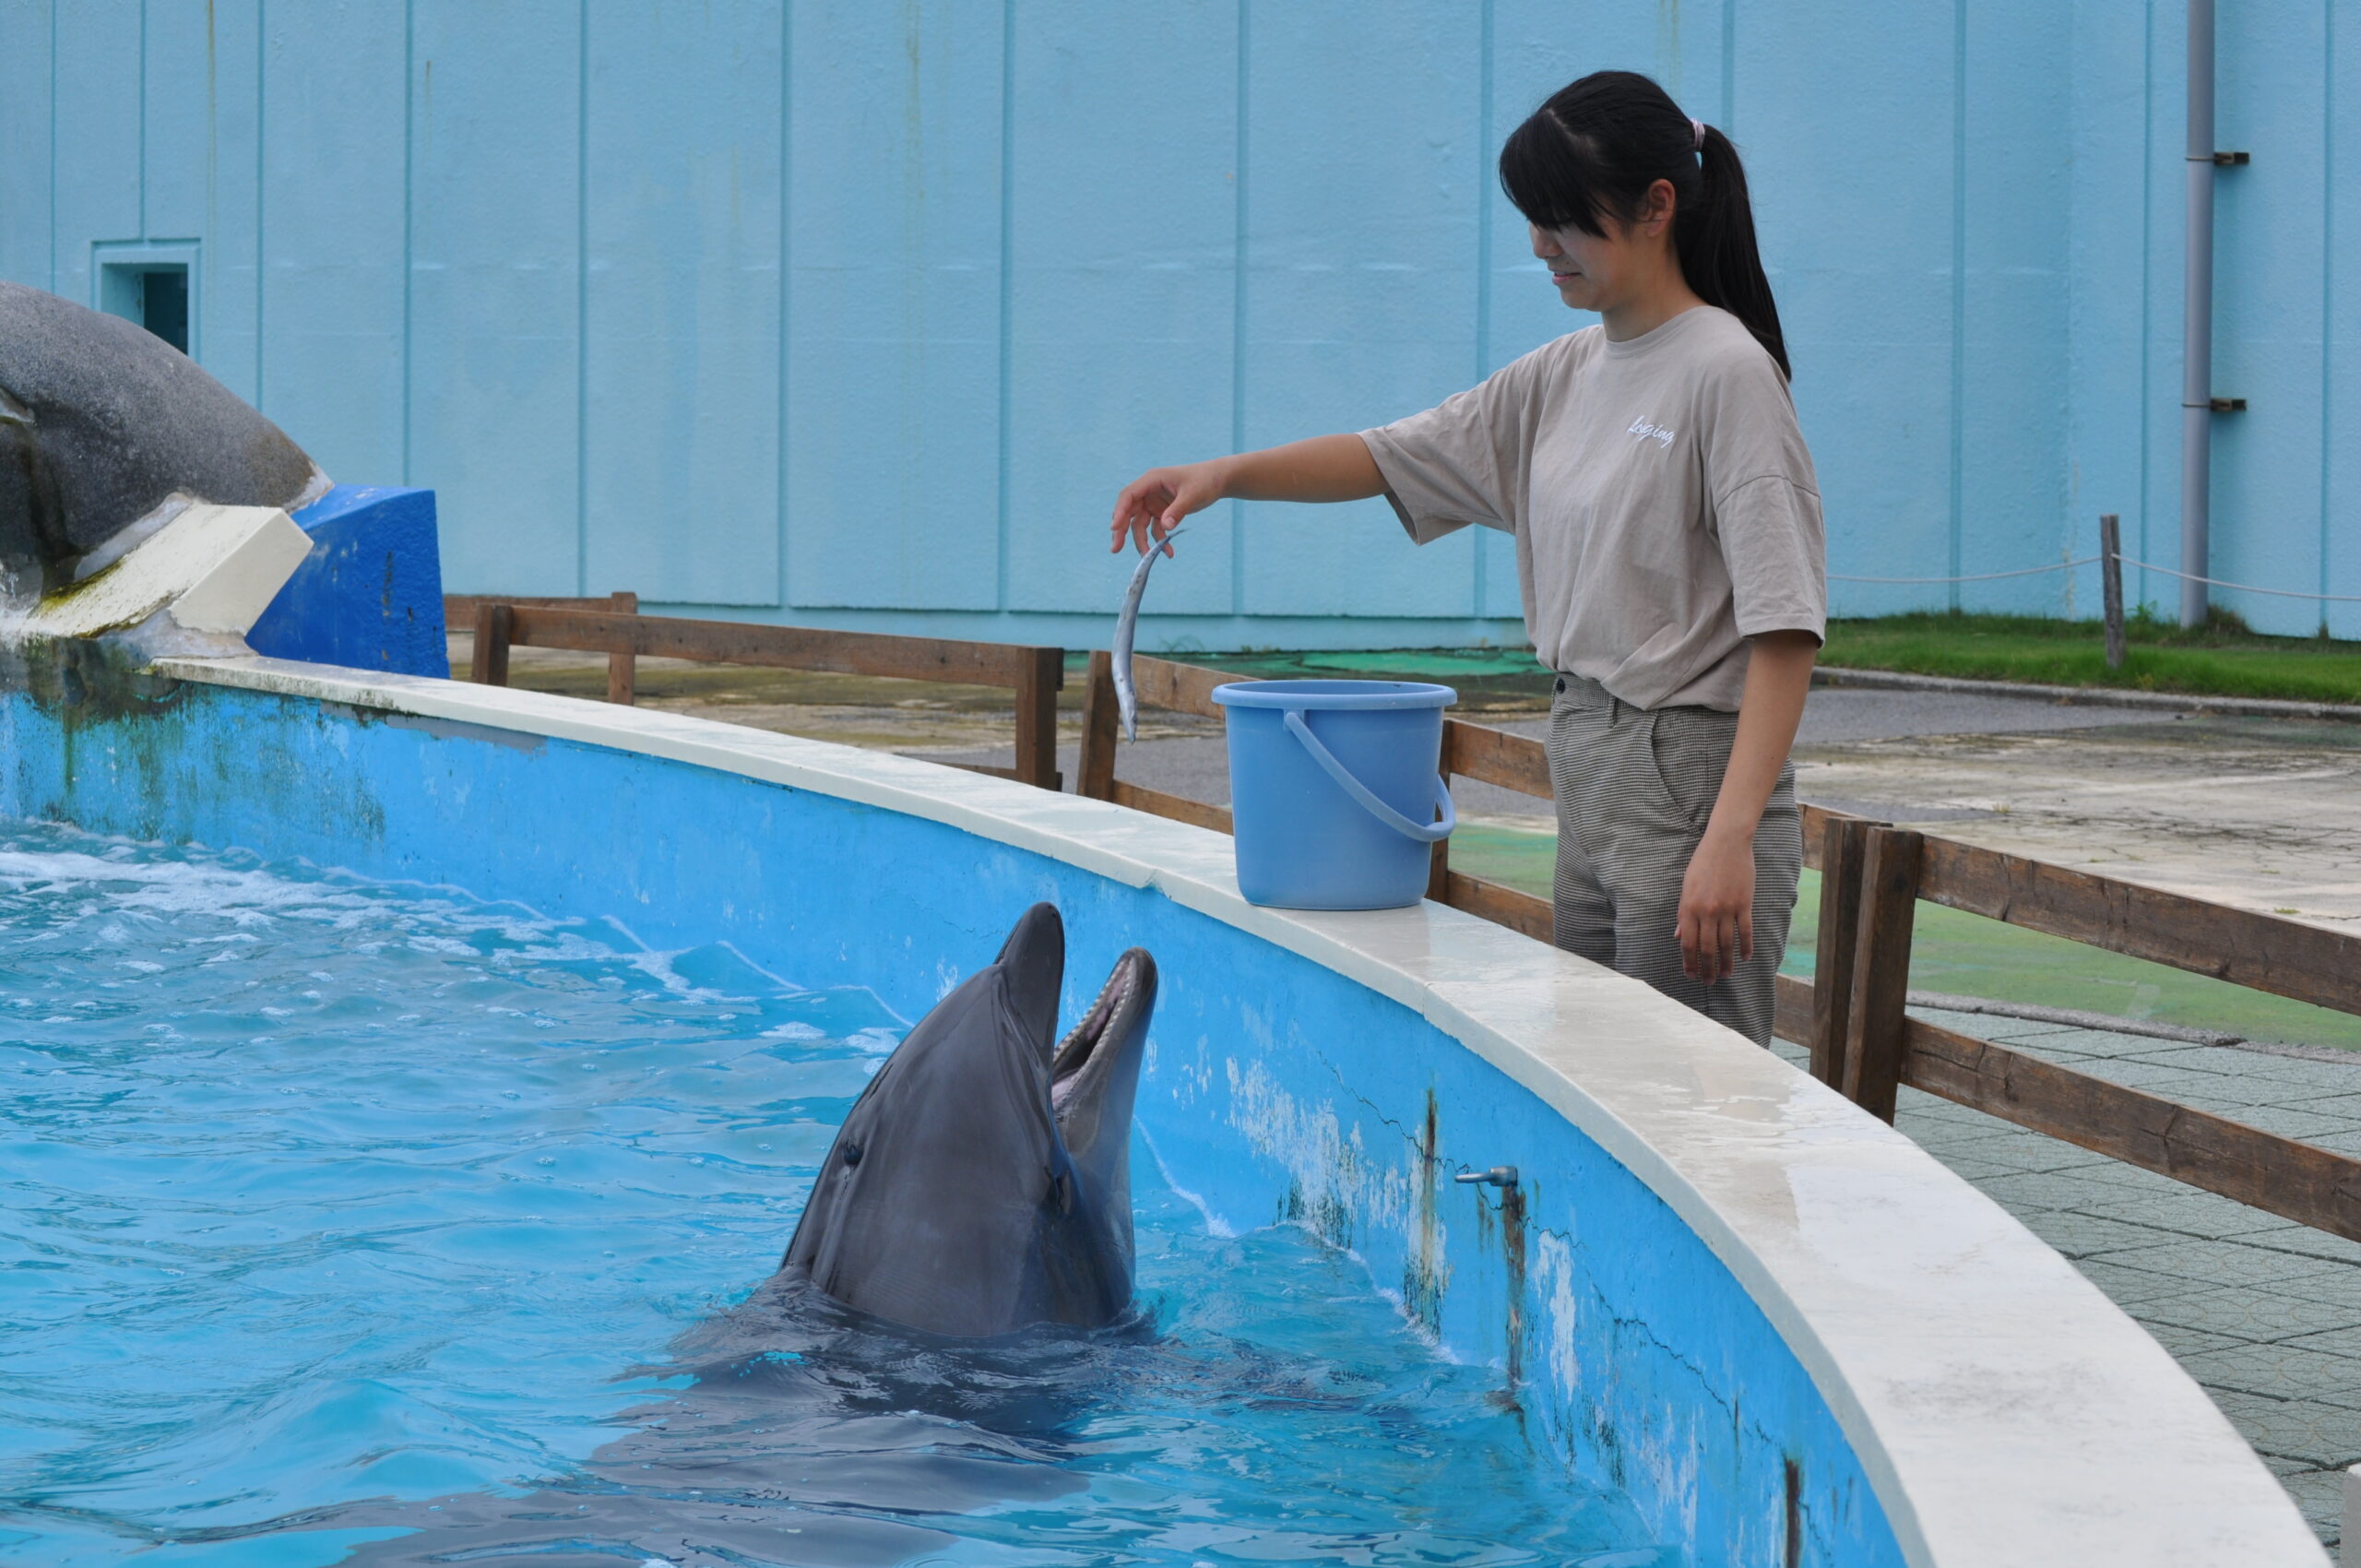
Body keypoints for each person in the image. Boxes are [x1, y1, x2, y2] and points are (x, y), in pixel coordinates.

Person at [1107, 70, 1823, 1048]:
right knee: (1599, 1083)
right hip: (1589, 753)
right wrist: (1222, 474)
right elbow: (1389, 453)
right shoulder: (1565, 373)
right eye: (1534, 218)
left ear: (1658, 206)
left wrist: (1731, 835)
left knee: (1692, 1092)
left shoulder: (1726, 372)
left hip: (1689, 770)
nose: (1540, 246)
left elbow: (1784, 626)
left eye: (1564, 218)